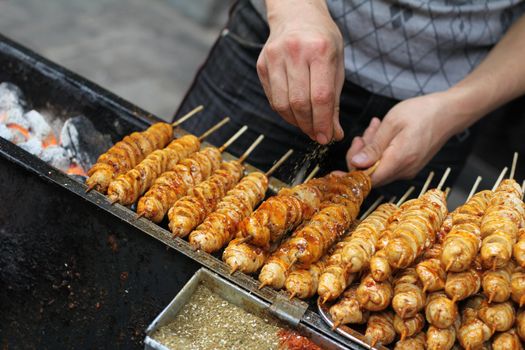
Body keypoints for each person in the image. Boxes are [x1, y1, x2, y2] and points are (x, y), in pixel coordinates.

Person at [175, 0, 525, 198]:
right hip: (284, 43)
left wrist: (454, 109)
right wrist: (295, 11)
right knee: (184, 202)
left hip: (453, 96)